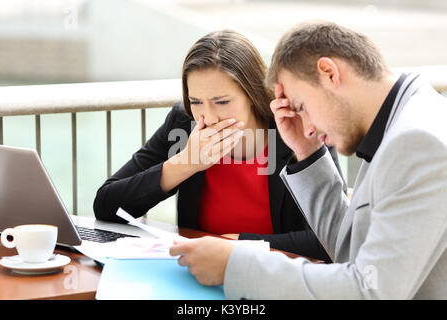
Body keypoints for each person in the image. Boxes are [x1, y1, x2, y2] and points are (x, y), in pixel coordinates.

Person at [170, 21, 447, 299]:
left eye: (300, 106)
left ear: (329, 73)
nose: (308, 125)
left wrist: (236, 265)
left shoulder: (417, 142)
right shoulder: (401, 121)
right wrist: (307, 153)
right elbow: (346, 249)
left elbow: (371, 290)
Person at [93, 29, 346, 261]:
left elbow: (334, 238)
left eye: (222, 102)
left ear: (252, 93)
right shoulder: (185, 123)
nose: (209, 117)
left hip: (277, 279)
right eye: (196, 101)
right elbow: (105, 205)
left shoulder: (296, 128)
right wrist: (184, 163)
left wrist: (240, 245)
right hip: (199, 278)